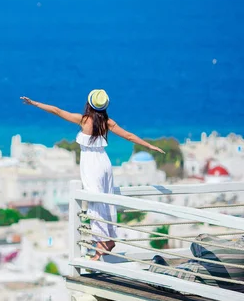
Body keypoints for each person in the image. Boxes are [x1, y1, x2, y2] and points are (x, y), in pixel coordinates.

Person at [20, 90, 164, 261]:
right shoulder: (108, 122)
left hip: (91, 164)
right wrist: (149, 145)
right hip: (104, 162)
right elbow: (129, 136)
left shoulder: (84, 120)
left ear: (89, 104)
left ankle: (100, 247)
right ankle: (109, 239)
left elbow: (57, 111)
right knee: (106, 199)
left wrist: (35, 103)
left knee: (95, 203)